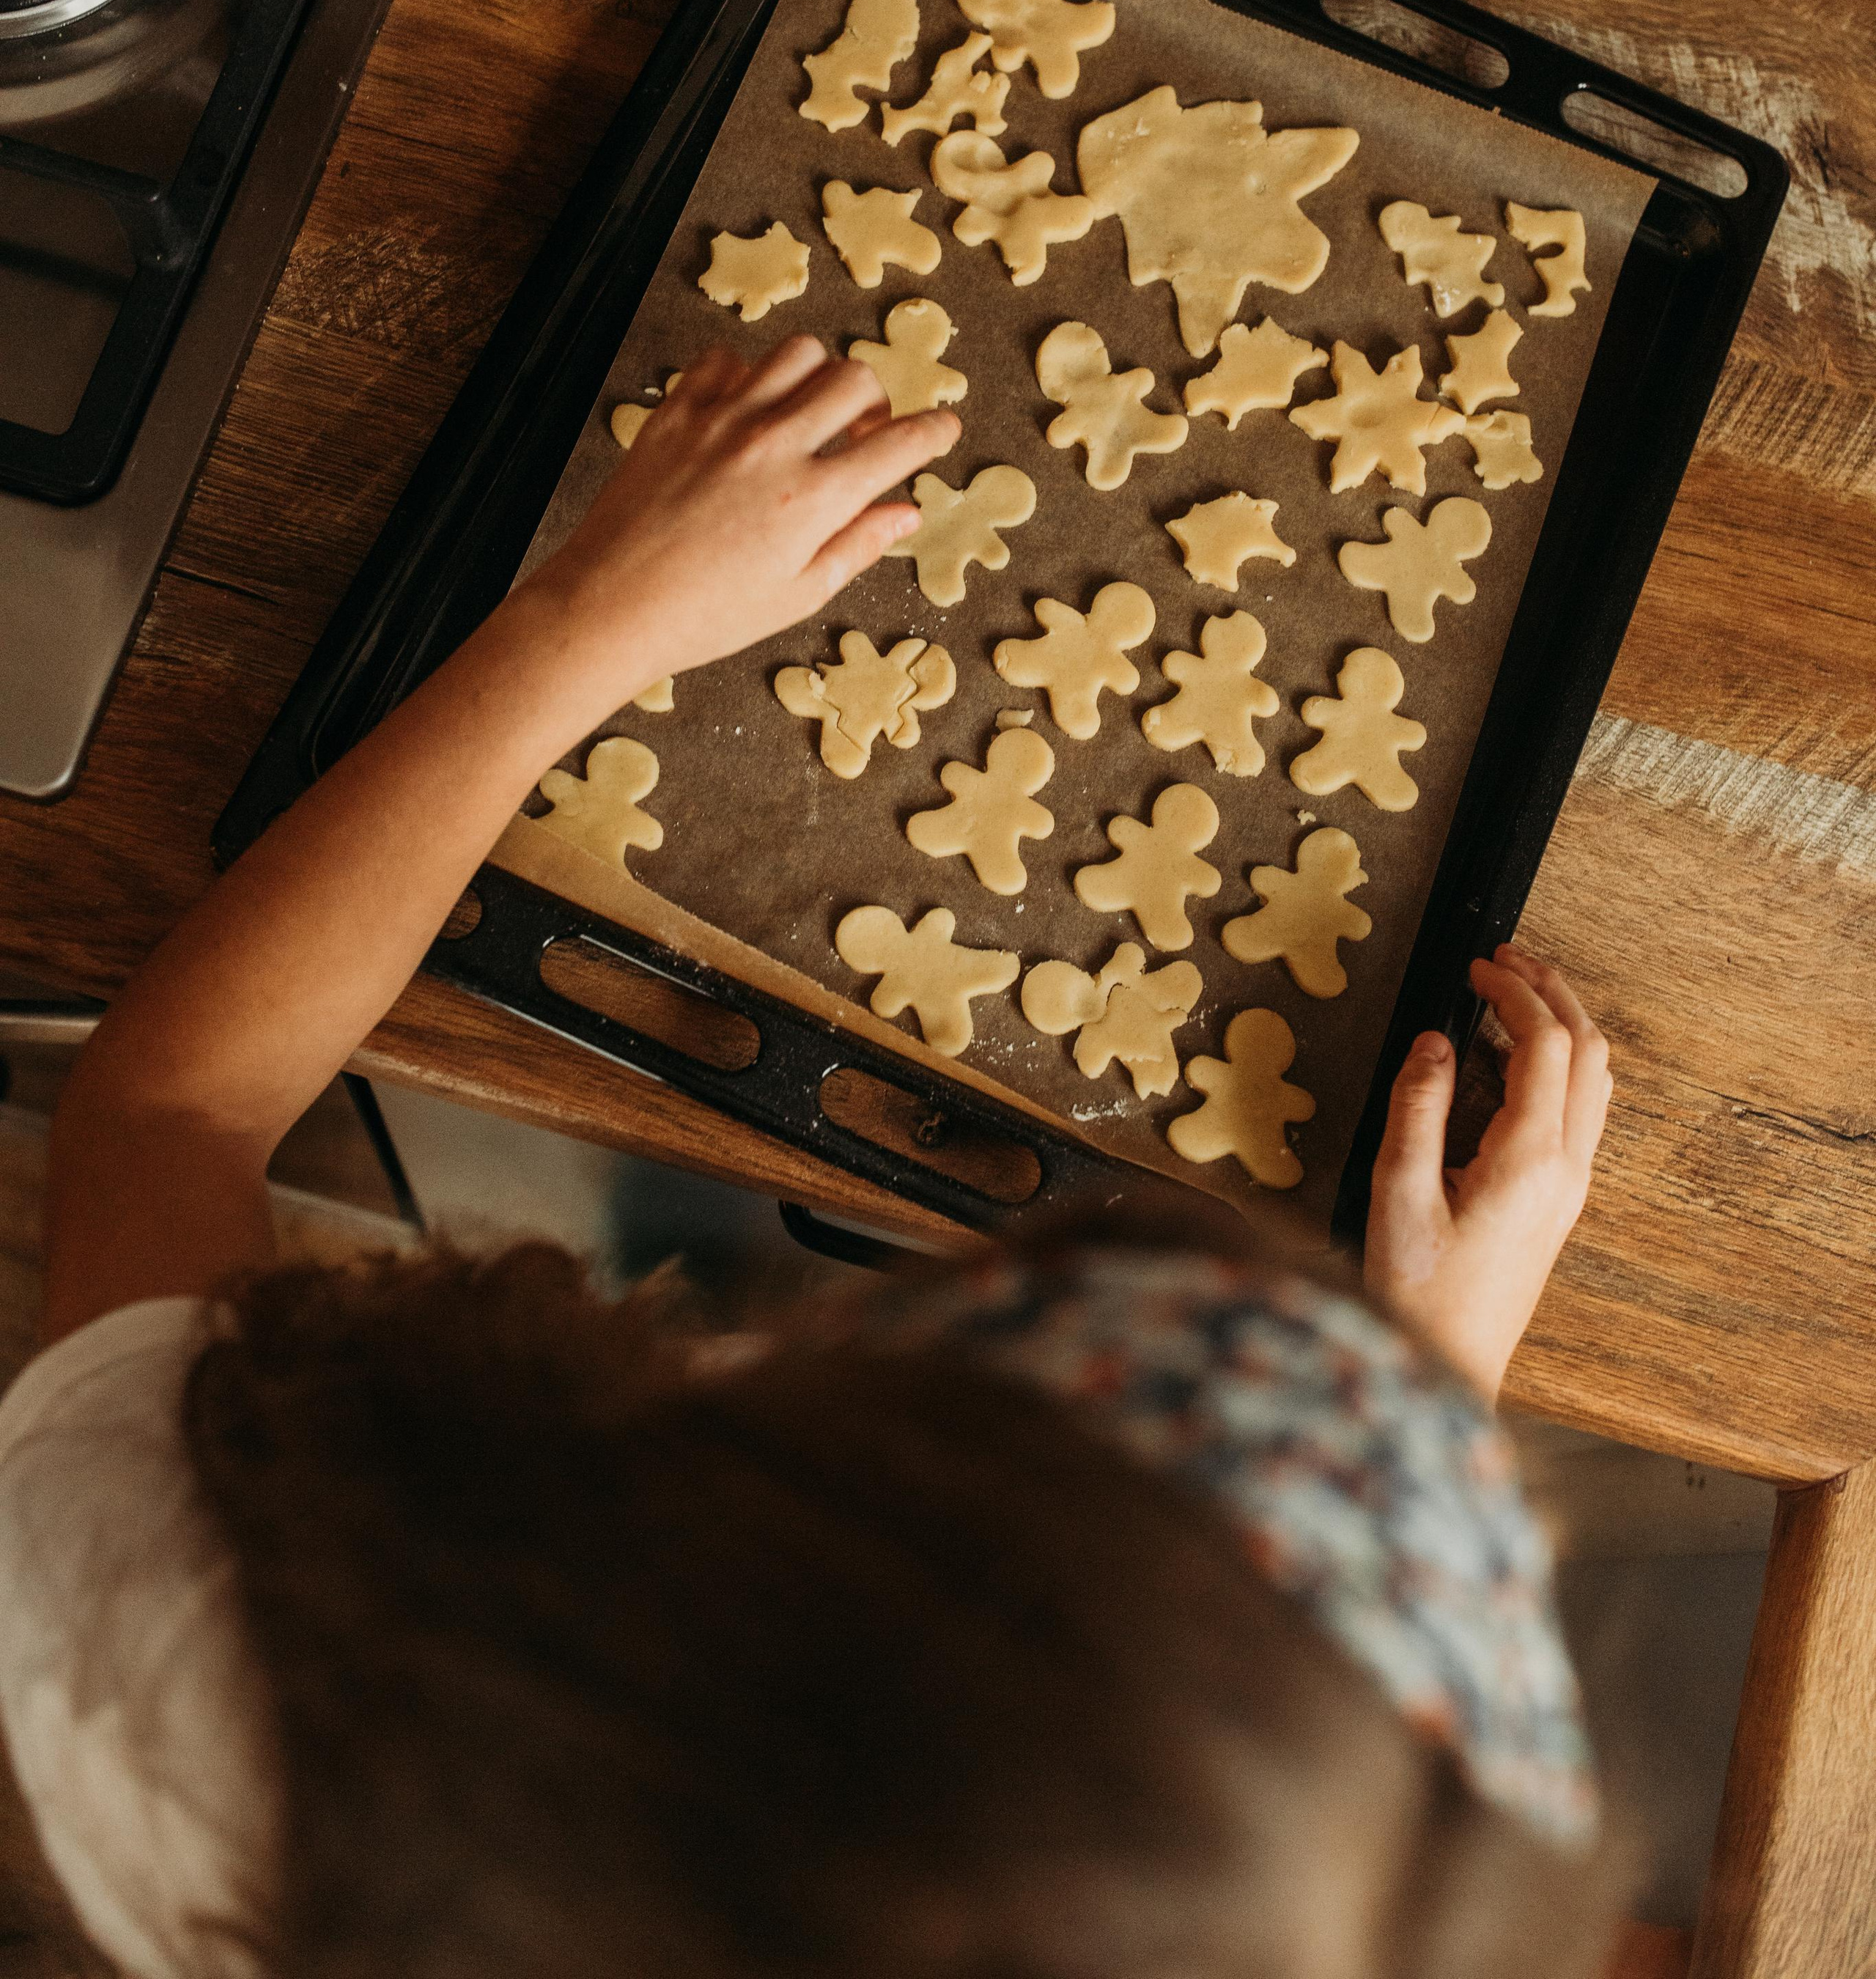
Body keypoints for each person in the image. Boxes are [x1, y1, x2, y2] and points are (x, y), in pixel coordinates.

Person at [0, 336, 1617, 1979]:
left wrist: (581, 626)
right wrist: (1421, 1382)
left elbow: (171, 1113)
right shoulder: (1264, 1912)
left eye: (894, 1355)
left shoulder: (184, 1673)